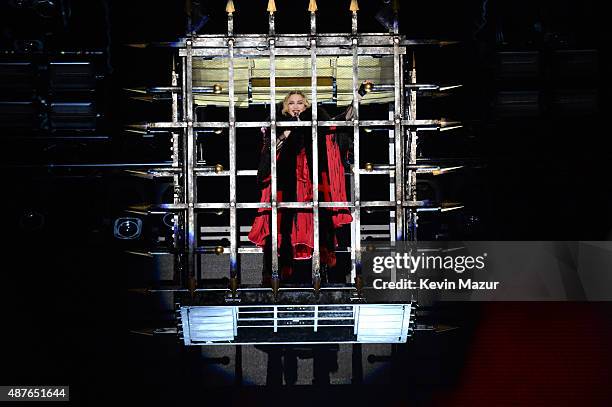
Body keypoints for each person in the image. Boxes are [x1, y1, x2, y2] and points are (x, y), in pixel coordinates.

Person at [248, 83, 371, 282]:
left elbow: (340, 122)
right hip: (285, 180)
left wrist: (356, 99)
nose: (296, 106)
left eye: (300, 103)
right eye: (291, 103)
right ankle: (277, 272)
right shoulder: (277, 125)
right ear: (284, 108)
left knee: (316, 218)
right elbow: (270, 150)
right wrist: (289, 129)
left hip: (310, 179)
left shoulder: (316, 124)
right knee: (281, 222)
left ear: (306, 107)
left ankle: (323, 273)